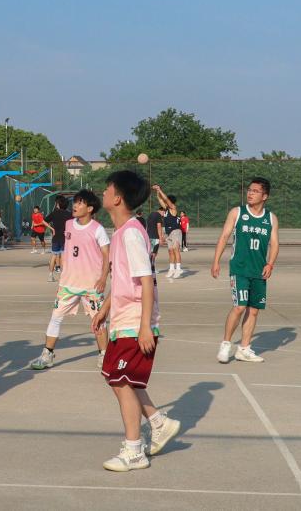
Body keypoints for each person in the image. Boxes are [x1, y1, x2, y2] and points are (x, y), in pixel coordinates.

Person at [92, 170, 180, 472]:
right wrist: (105, 308)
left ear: (117, 198)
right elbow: (123, 279)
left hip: (134, 321)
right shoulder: (121, 233)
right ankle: (158, 422)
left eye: (107, 189)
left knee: (120, 381)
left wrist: (145, 327)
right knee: (120, 379)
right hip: (122, 319)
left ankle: (134, 450)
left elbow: (145, 281)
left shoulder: (130, 233)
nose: (103, 193)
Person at [30, 189, 110, 371]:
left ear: (89, 208)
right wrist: (63, 274)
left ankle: (104, 356)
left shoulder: (98, 229)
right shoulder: (68, 224)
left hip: (91, 285)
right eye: (75, 202)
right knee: (55, 317)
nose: (75, 205)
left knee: (99, 321)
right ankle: (47, 355)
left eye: (80, 203)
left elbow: (107, 255)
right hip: (68, 284)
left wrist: (103, 278)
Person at [212, 177, 279, 364]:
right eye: (249, 190)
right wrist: (216, 261)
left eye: (255, 191)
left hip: (259, 271)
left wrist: (270, 264)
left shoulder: (271, 218)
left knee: (254, 310)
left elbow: (275, 243)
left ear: (265, 196)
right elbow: (224, 236)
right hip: (239, 269)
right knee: (239, 307)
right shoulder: (237, 212)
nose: (250, 193)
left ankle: (244, 349)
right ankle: (226, 344)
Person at [154, 186, 183, 278]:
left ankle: (178, 269)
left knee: (175, 249)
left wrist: (160, 190)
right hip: (169, 232)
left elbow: (165, 199)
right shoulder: (166, 209)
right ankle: (171, 269)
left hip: (175, 231)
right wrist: (157, 191)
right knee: (170, 251)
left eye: (167, 200)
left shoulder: (173, 207)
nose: (165, 201)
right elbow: (160, 199)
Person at [45, 196, 72, 282]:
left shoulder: (54, 213)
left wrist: (52, 229)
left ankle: (50, 276)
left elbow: (43, 221)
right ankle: (62, 277)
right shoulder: (69, 214)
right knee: (63, 257)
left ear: (58, 204)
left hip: (55, 237)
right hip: (65, 238)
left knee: (54, 256)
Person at [146, 205, 164, 270]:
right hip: (155, 237)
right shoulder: (158, 215)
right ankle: (152, 268)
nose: (163, 214)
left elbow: (147, 226)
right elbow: (159, 226)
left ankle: (149, 267)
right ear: (161, 211)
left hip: (149, 236)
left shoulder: (150, 215)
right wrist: (161, 238)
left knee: (150, 252)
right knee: (154, 253)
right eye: (164, 212)